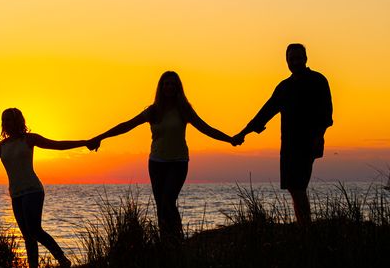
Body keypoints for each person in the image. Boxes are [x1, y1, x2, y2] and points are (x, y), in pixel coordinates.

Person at [88, 71, 240, 241]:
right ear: (161, 87)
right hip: (156, 163)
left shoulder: (184, 110)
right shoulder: (153, 111)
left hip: (178, 162)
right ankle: (166, 243)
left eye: (172, 84)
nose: (169, 87)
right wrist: (100, 137)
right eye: (166, 84)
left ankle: (177, 239)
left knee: (168, 200)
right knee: (161, 205)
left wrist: (229, 139)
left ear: (177, 88)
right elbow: (126, 125)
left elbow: (205, 128)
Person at [0, 108, 87, 268]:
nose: (6, 123)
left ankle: (62, 259)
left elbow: (57, 145)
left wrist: (86, 142)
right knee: (27, 235)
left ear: (18, 121)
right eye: (4, 120)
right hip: (16, 194)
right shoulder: (2, 146)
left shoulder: (29, 139)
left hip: (33, 190)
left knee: (35, 230)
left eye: (9, 120)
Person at [233, 43, 333, 225]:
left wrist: (319, 136)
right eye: (291, 59)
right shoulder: (284, 87)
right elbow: (265, 112)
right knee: (294, 188)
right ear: (286, 61)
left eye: (299, 58)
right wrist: (243, 133)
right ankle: (303, 224)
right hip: (288, 144)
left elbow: (327, 114)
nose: (295, 62)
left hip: (308, 142)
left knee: (298, 185)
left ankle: (305, 227)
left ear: (306, 58)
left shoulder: (318, 80)